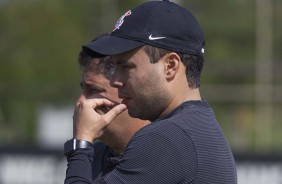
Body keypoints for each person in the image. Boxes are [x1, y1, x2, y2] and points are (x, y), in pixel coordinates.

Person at [65, 0, 238, 183]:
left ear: (170, 66)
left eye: (127, 67)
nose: (115, 80)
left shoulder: (167, 138)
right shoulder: (194, 128)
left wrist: (81, 144)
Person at [64, 34, 149, 182]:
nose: (81, 102)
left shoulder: (160, 153)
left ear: (126, 88)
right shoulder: (92, 155)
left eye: (93, 90)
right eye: (83, 89)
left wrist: (81, 144)